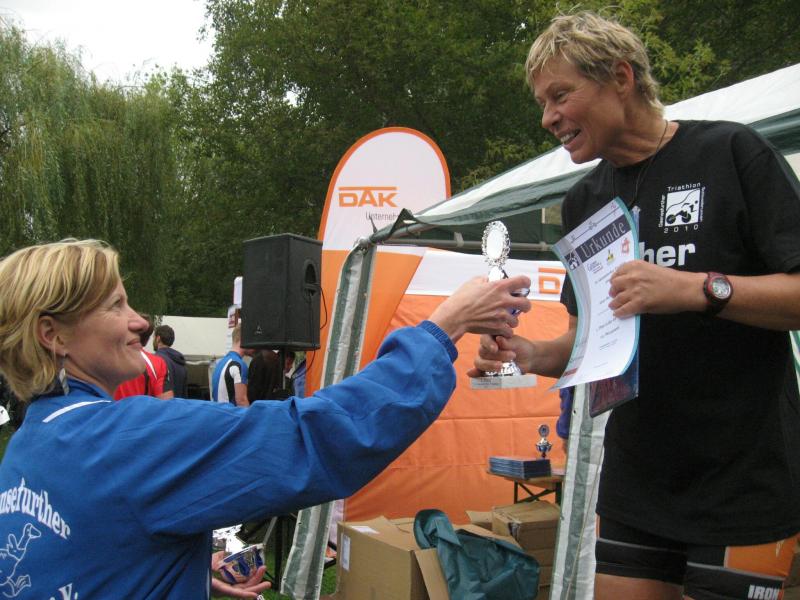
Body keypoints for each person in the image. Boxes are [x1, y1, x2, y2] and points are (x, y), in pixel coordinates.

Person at [472, 12, 800, 600]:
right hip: (638, 481)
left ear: (620, 78)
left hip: (743, 477)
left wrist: (696, 290)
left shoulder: (731, 152)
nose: (548, 118)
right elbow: (588, 343)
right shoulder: (584, 201)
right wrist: (525, 354)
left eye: (560, 95)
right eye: (543, 103)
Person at [0, 238, 529, 598]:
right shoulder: (124, 440)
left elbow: (73, 557)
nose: (138, 322)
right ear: (53, 334)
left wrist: (173, 570)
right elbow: (315, 438)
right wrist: (443, 328)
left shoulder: (28, 445)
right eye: (115, 306)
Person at [114, 313, 174, 400]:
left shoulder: (104, 357)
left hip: (109, 408)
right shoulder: (158, 364)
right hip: (141, 408)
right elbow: (166, 401)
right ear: (147, 340)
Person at [211, 324, 253, 406]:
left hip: (218, 412)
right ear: (244, 339)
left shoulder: (220, 362)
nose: (255, 346)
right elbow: (241, 401)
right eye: (252, 340)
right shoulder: (238, 365)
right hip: (229, 413)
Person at [154, 324, 188, 398]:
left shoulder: (156, 359)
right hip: (177, 404)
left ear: (158, 338)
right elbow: (184, 394)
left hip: (162, 404)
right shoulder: (181, 362)